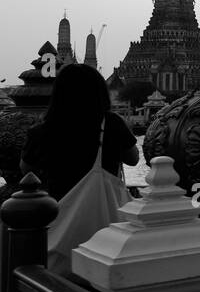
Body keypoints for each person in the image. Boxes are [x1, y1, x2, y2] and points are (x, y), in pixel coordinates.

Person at [20, 65, 139, 271]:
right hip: (106, 219)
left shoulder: (42, 130)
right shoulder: (110, 123)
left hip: (57, 213)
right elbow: (134, 159)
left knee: (58, 275)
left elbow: (25, 169)